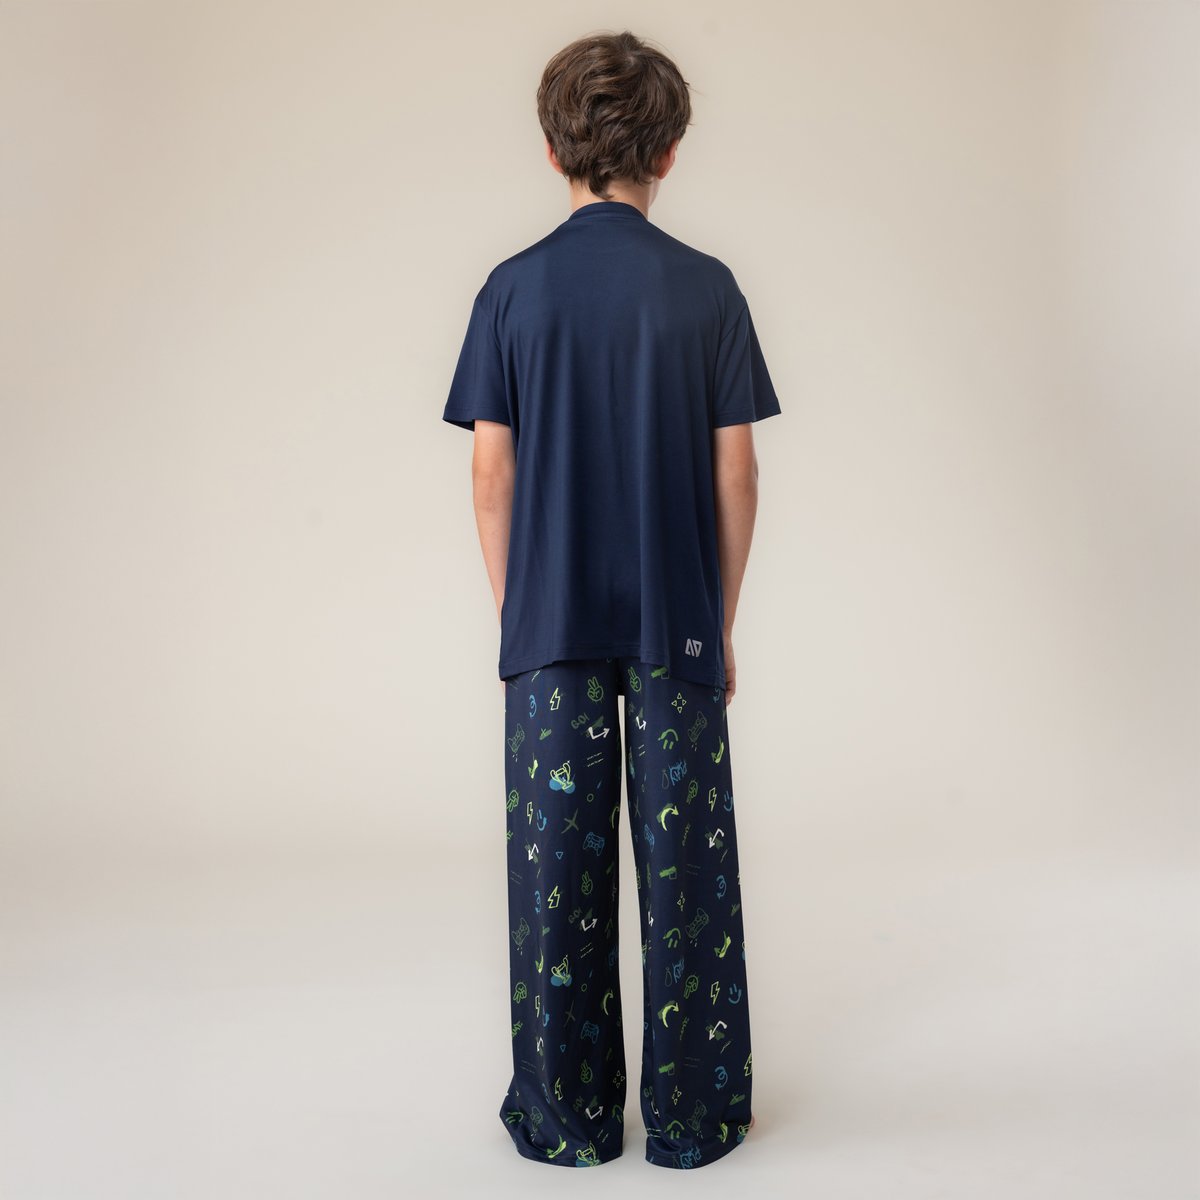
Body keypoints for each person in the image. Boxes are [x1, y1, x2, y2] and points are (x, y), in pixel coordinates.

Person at [442, 29, 781, 1170]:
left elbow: (490, 475)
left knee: (556, 875)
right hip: (674, 614)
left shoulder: (510, 290)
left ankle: (567, 1120)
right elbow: (737, 475)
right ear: (670, 152)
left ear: (553, 151)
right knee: (689, 874)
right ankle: (693, 1120)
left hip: (550, 623)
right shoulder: (708, 289)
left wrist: (519, 612)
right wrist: (718, 622)